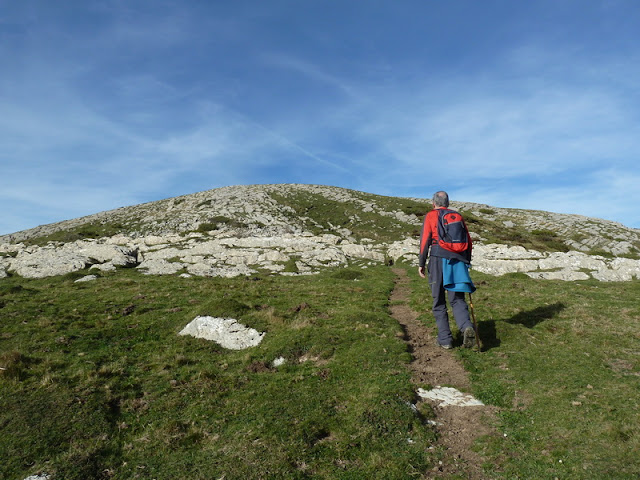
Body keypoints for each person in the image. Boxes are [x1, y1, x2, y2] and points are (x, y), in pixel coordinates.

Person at [418, 191, 476, 349]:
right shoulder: (457, 216)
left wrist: (421, 263)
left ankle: (445, 340)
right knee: (457, 299)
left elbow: (425, 240)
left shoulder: (431, 215)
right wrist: (467, 261)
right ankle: (466, 327)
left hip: (437, 258)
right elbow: (468, 241)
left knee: (439, 300)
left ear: (433, 203)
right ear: (448, 203)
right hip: (458, 260)